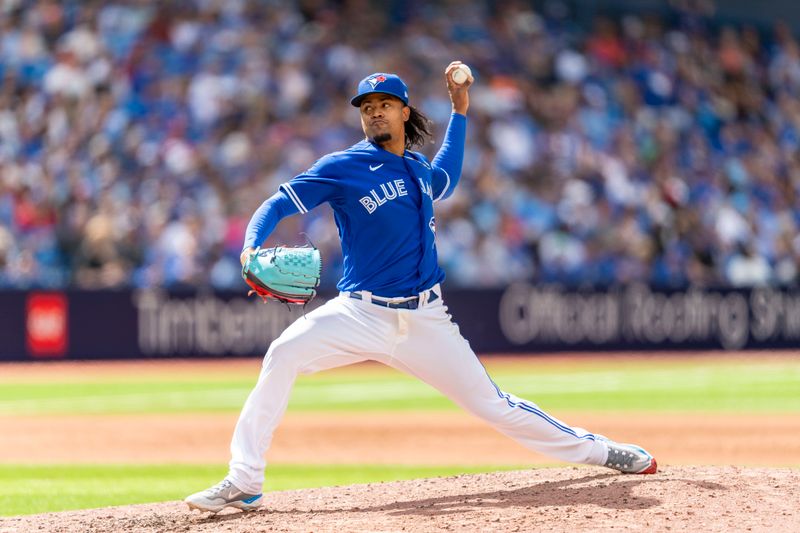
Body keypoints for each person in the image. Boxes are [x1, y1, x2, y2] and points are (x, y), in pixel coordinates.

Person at [185, 61, 657, 514]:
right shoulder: (343, 166)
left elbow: (447, 174)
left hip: (427, 320)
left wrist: (460, 110)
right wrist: (250, 248)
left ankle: (601, 452)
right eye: (366, 104)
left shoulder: (416, 169)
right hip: (360, 313)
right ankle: (245, 479)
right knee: (282, 354)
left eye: (384, 102)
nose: (373, 110)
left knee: (494, 406)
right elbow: (277, 203)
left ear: (404, 112)